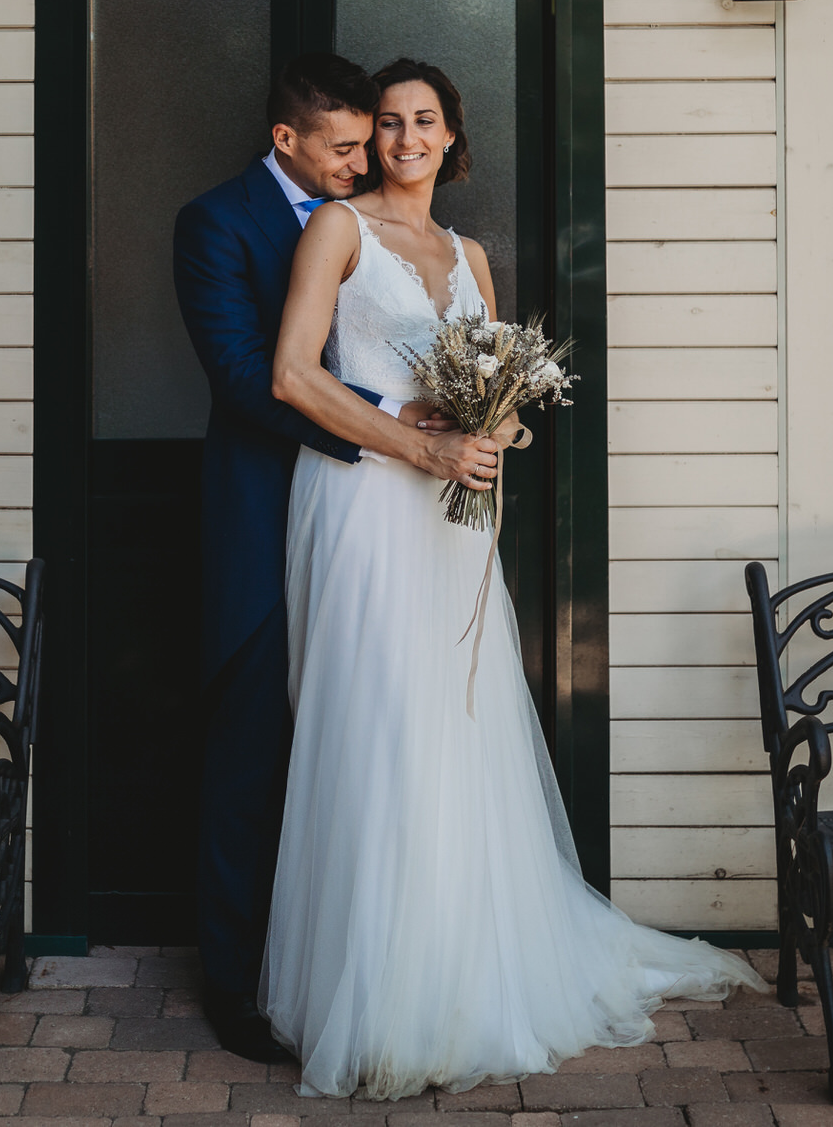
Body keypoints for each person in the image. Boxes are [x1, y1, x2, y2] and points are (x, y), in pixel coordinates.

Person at [264, 58, 768, 1099]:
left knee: (457, 728)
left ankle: (462, 972)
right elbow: (291, 376)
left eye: (424, 121)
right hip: (362, 511)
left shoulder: (469, 254)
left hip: (452, 523)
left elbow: (494, 391)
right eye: (391, 122)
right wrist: (419, 451)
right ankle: (381, 997)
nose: (404, 138)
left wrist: (495, 429)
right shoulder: (335, 229)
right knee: (379, 727)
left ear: (453, 139)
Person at [172, 53, 501, 1064]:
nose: (370, 157)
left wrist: (490, 424)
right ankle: (238, 987)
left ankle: (407, 960)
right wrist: (405, 426)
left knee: (401, 742)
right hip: (290, 508)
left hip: (409, 518)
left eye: (395, 132)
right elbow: (246, 379)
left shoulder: (410, 227)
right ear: (290, 141)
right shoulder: (221, 223)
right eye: (352, 142)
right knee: (253, 750)